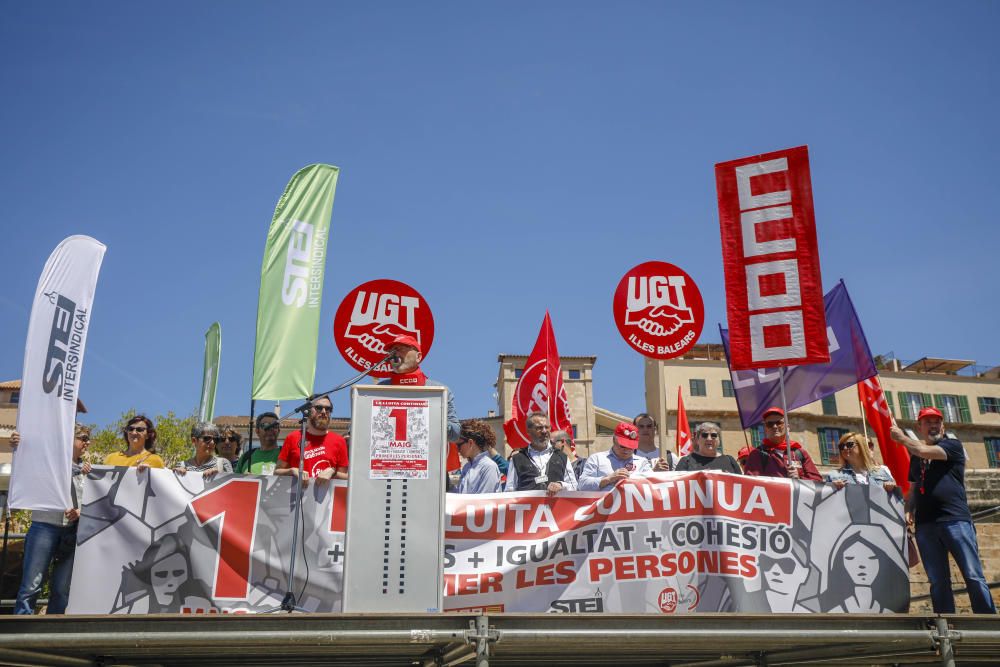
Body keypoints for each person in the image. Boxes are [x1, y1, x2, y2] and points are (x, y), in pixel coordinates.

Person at [891, 407, 997, 614]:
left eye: (937, 421)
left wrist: (902, 438)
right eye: (928, 422)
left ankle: (987, 623)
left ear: (943, 426)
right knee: (938, 581)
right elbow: (913, 489)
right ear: (919, 427)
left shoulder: (953, 445)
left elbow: (923, 450)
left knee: (973, 575)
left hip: (955, 520)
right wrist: (908, 510)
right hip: (926, 525)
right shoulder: (916, 456)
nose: (933, 425)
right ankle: (947, 627)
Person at [13, 424, 92, 614]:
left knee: (62, 589)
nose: (86, 442)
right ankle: (21, 635)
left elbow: (93, 500)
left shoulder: (89, 470)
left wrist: (81, 512)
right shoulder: (47, 461)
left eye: (88, 439)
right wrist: (18, 443)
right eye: (82, 437)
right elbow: (27, 459)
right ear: (68, 438)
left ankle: (52, 634)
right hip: (44, 526)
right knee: (31, 585)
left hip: (73, 531)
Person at [381, 334, 461, 441]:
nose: (396, 353)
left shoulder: (439, 391)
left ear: (418, 357)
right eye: (393, 351)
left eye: (402, 349)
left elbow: (455, 433)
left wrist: (434, 420)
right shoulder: (379, 390)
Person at [821, 526, 910, 613]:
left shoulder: (889, 610)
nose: (861, 565)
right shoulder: (835, 610)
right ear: (840, 562)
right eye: (850, 558)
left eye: (872, 558)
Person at [275, 395, 348, 484]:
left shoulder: (339, 441)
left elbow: (345, 479)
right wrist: (292, 471)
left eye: (328, 409)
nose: (324, 412)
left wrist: (332, 472)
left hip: (326, 496)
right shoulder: (293, 437)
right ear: (308, 411)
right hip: (296, 495)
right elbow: (276, 472)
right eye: (319, 408)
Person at [504, 412, 578, 495]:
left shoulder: (562, 457)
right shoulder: (516, 459)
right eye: (539, 428)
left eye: (547, 427)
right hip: (529, 507)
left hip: (555, 507)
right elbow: (509, 492)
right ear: (528, 431)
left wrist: (561, 485)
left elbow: (574, 486)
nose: (544, 431)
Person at [741, 407, 821, 481]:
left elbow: (817, 482)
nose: (775, 426)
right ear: (765, 429)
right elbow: (750, 484)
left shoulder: (800, 453)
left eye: (779, 423)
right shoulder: (756, 455)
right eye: (770, 424)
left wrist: (799, 479)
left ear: (787, 427)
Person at [578, 422, 653, 491]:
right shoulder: (596, 459)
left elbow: (652, 485)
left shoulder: (643, 463)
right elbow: (581, 485)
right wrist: (608, 479)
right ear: (614, 440)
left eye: (631, 447)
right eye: (622, 446)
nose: (626, 451)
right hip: (605, 505)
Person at [825, 433, 895, 491]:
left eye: (849, 445)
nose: (845, 448)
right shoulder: (834, 475)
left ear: (861, 446)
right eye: (842, 446)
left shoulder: (882, 472)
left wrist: (891, 488)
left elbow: (896, 500)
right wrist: (831, 489)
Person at [453, 420, 502, 494]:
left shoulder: (489, 466)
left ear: (470, 443)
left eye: (459, 445)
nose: (457, 449)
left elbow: (483, 500)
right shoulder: (466, 467)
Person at [676, 422, 742, 473]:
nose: (709, 439)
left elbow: (742, 485)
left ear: (719, 440)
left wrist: (730, 478)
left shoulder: (730, 461)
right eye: (705, 435)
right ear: (697, 440)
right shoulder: (686, 461)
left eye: (714, 435)